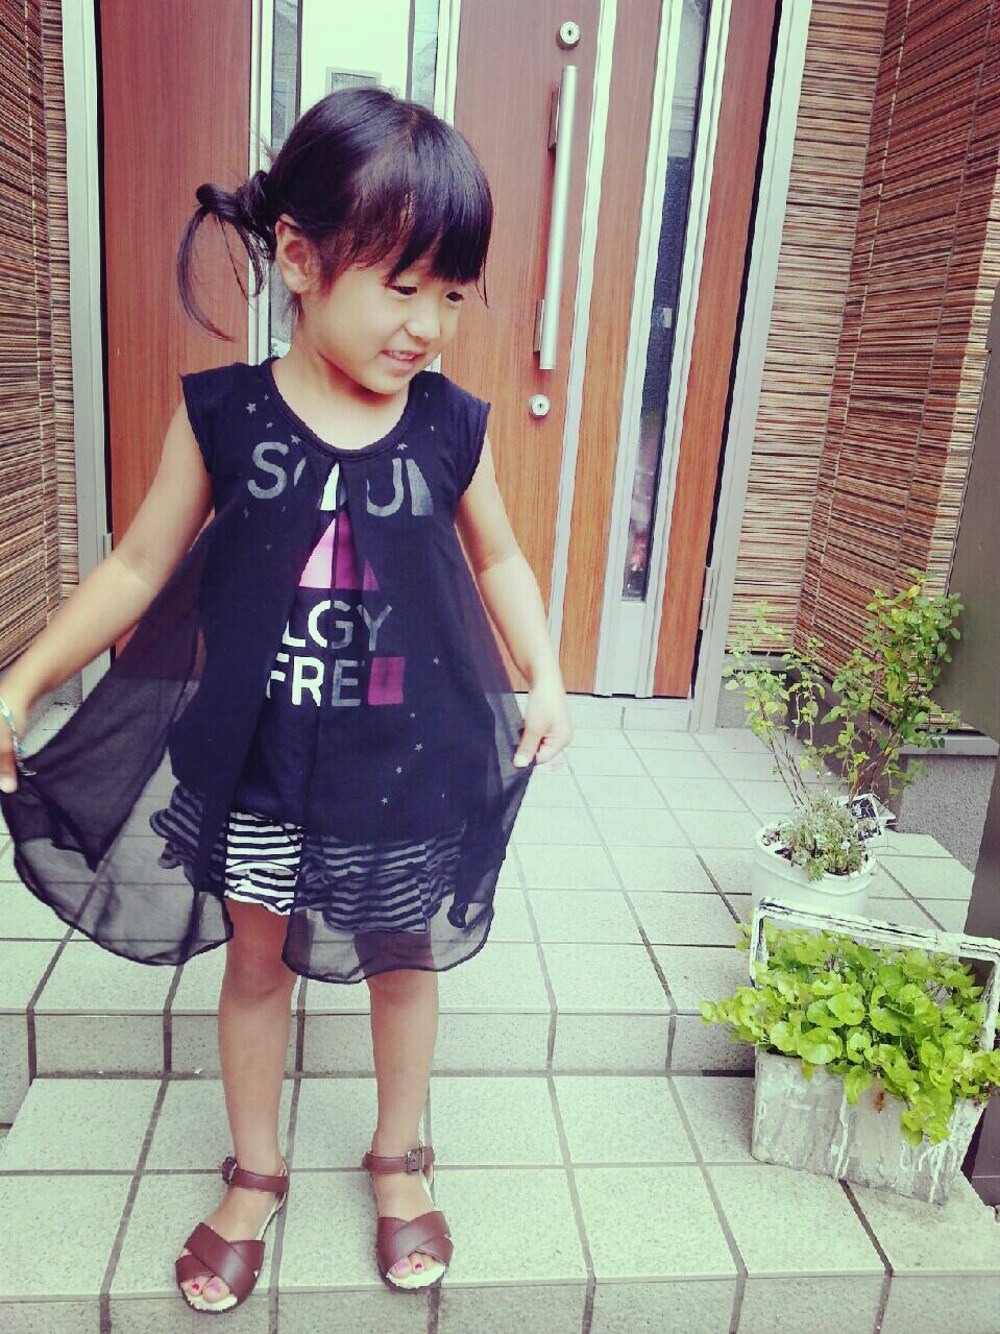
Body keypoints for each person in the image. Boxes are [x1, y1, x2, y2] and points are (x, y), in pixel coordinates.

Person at [0, 86, 572, 1313]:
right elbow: (137, 565)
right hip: (263, 765)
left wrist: (543, 668)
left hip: (405, 760)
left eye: (451, 295)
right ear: (301, 260)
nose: (428, 324)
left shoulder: (449, 426)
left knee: (401, 956)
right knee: (255, 958)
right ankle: (254, 1169)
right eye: (402, 286)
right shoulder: (227, 413)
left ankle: (399, 1154)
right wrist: (23, 681)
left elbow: (498, 558)